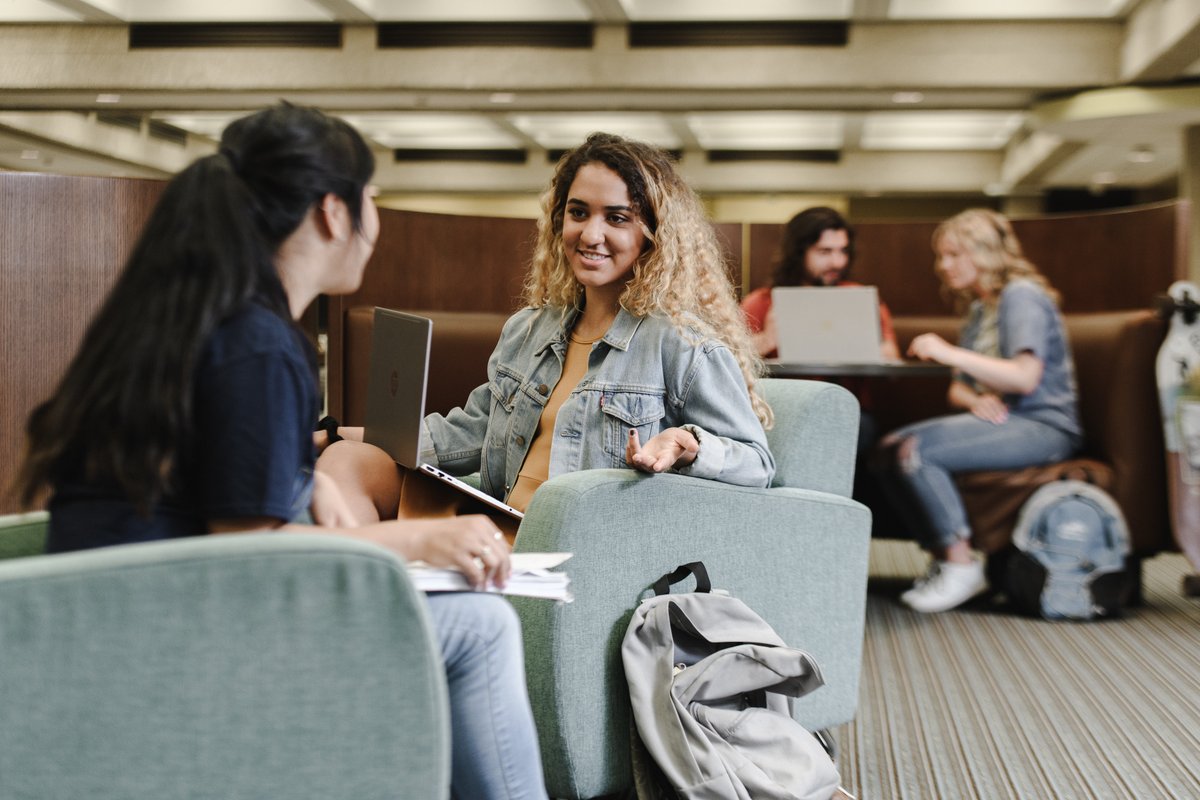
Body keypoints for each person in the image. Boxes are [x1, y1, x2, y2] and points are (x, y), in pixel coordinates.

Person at [14, 104, 548, 800]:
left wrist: (302, 487)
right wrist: (422, 539)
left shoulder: (197, 320)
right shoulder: (258, 345)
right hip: (165, 643)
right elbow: (253, 563)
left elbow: (210, 501)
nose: (376, 223)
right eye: (373, 201)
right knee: (479, 627)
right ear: (333, 212)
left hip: (104, 625)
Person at [317, 131, 774, 527]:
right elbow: (471, 434)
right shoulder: (530, 328)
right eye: (578, 212)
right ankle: (365, 611)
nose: (590, 234)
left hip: (571, 541)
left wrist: (687, 442)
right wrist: (332, 433)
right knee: (344, 461)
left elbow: (756, 463)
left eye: (616, 218)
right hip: (496, 519)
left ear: (654, 234)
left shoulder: (682, 344)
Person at [874, 208, 1082, 614]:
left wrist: (948, 352)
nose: (943, 265)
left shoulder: (1021, 296)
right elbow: (959, 389)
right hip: (1007, 420)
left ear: (984, 254)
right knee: (886, 450)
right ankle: (942, 556)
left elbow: (1024, 378)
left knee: (913, 450)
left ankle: (961, 564)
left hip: (1044, 425)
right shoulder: (979, 309)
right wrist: (977, 398)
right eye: (941, 256)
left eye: (953, 255)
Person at [740, 206, 899, 496]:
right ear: (799, 252)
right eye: (825, 251)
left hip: (849, 412)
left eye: (843, 251)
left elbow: (891, 360)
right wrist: (768, 338)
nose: (837, 261)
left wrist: (860, 339)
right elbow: (727, 360)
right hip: (777, 411)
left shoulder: (858, 298)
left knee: (845, 429)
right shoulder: (763, 302)